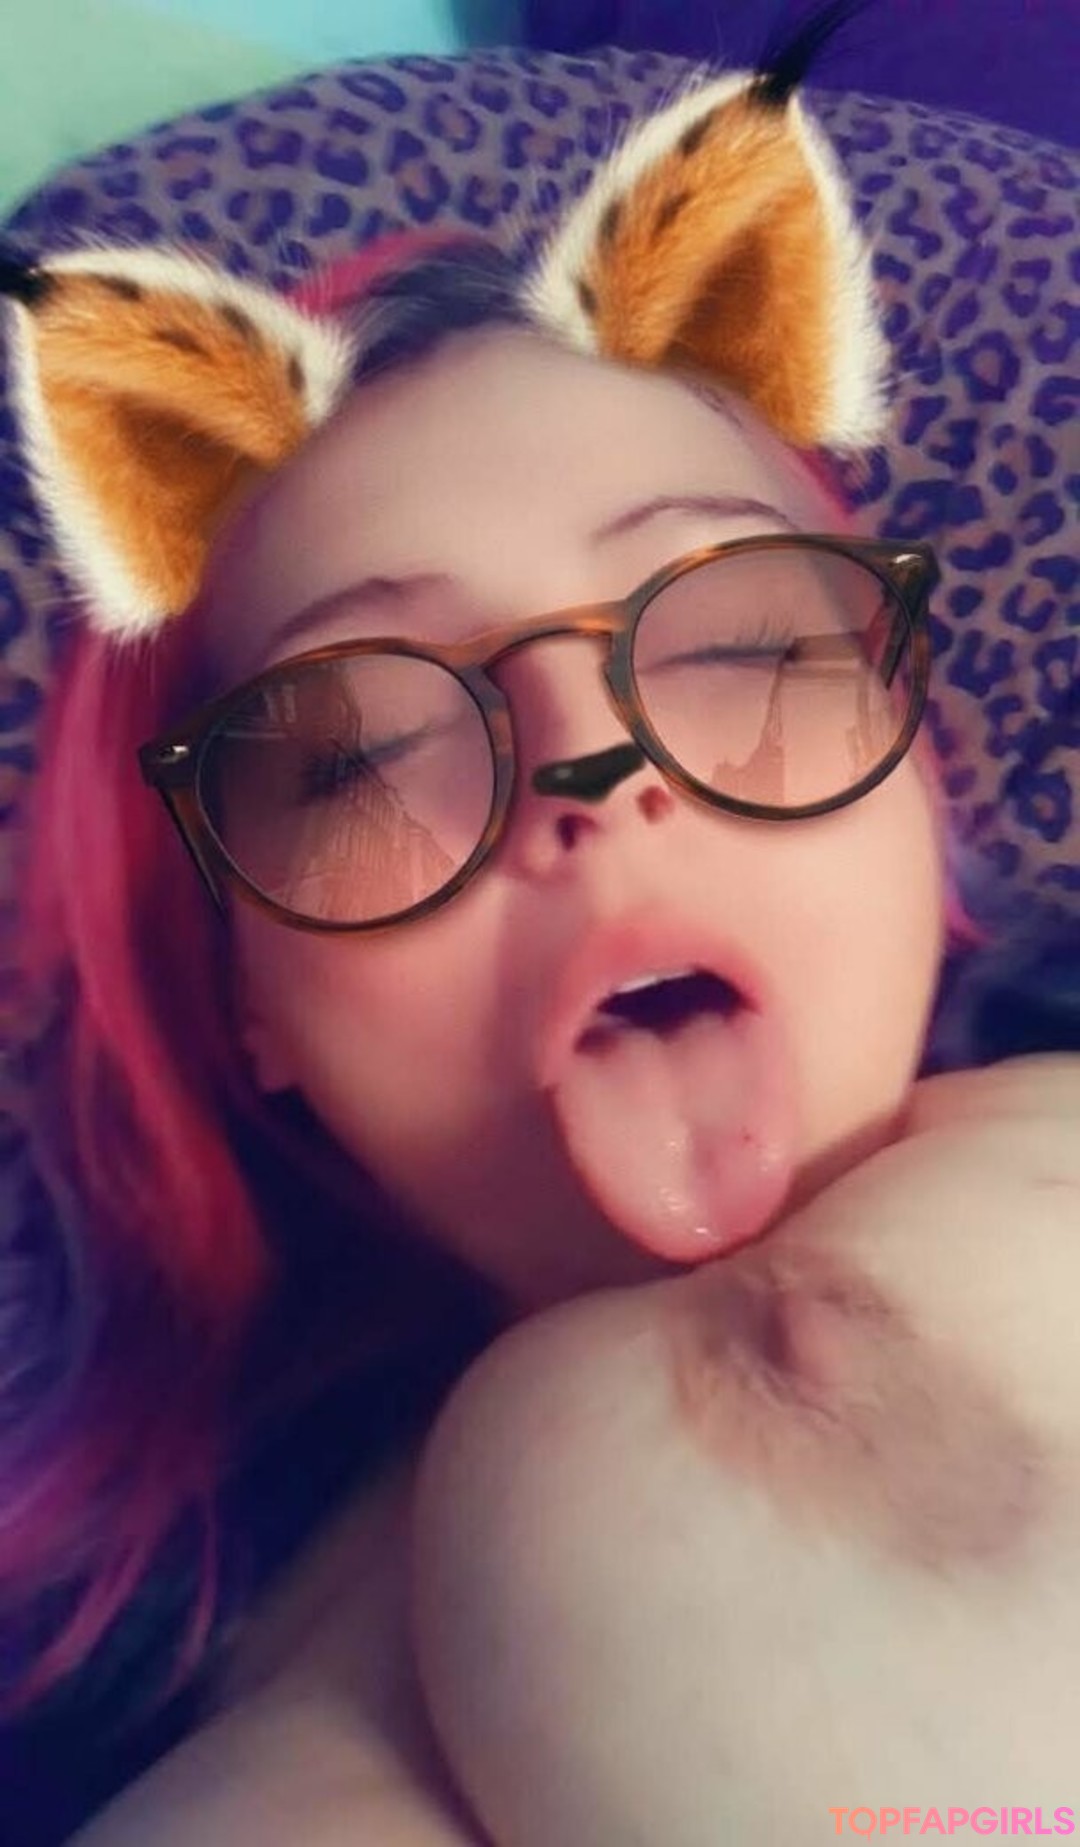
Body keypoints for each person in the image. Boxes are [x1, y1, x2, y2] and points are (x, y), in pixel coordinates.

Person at [0, 8, 1075, 1842]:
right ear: (250, 1001)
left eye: (742, 645)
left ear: (923, 789)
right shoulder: (200, 1682)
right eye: (362, 750)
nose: (587, 763)